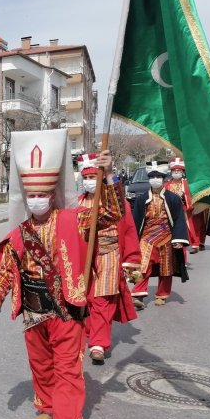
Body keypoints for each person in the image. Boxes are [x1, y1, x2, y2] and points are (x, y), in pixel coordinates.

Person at [0, 130, 123, 419]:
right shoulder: (19, 232)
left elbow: (110, 216)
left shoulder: (74, 219)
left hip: (66, 309)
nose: (37, 199)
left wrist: (110, 176)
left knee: (67, 369)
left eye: (43, 194)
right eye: (32, 194)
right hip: (33, 311)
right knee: (41, 366)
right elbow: (5, 268)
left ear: (52, 194)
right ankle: (44, 405)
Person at [77, 154, 141, 364]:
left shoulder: (115, 202)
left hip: (109, 254)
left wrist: (131, 258)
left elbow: (129, 229)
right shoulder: (75, 203)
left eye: (94, 176)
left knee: (103, 299)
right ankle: (86, 333)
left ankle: (98, 343)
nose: (89, 181)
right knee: (84, 297)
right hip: (83, 255)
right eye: (86, 177)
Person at [131, 162, 189, 309]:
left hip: (167, 237)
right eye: (153, 176)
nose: (155, 179)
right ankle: (138, 294)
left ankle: (162, 295)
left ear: (163, 179)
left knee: (166, 268)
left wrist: (178, 239)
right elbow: (135, 220)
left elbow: (179, 219)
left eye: (158, 176)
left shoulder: (173, 198)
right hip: (146, 237)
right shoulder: (141, 198)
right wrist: (132, 239)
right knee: (142, 265)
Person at [164, 157, 198, 253]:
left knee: (187, 228)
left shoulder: (186, 184)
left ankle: (194, 244)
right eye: (174, 170)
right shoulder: (167, 185)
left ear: (182, 172)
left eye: (178, 170)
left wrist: (184, 195)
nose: (176, 172)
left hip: (184, 209)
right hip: (171, 211)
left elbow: (191, 196)